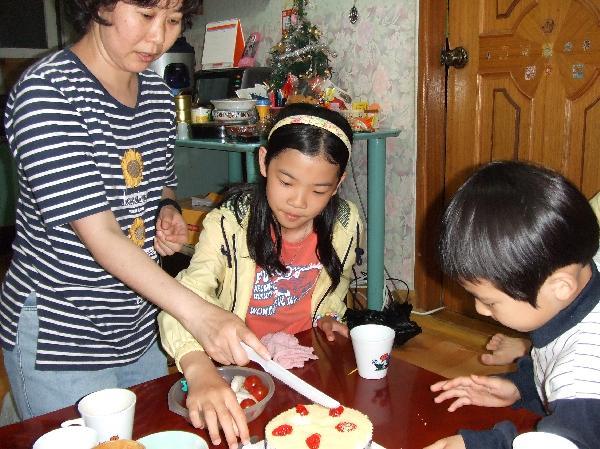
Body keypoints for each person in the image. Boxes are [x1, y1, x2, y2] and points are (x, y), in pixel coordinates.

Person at [0, 0, 267, 430]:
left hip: (136, 324)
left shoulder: (159, 97)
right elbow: (102, 235)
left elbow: (158, 180)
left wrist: (165, 208)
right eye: (146, 15)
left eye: (174, 20)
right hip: (60, 334)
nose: (159, 38)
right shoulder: (47, 93)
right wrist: (198, 314)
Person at [159, 103, 363, 448]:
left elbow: (334, 287)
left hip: (303, 357)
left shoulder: (345, 223)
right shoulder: (228, 223)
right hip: (241, 363)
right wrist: (196, 365)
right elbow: (185, 294)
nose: (299, 202)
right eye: (286, 181)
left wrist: (329, 316)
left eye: (319, 191)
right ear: (263, 161)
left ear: (338, 183)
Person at [425, 161, 600, 449]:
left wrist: (486, 444)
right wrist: (521, 387)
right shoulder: (578, 277)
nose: (480, 309)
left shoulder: (583, 376)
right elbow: (554, 360)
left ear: (560, 287)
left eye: (490, 300)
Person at [479, 191, 600, 367]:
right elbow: (575, 232)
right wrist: (520, 385)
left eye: (488, 303)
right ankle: (537, 351)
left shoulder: (577, 373)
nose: (479, 309)